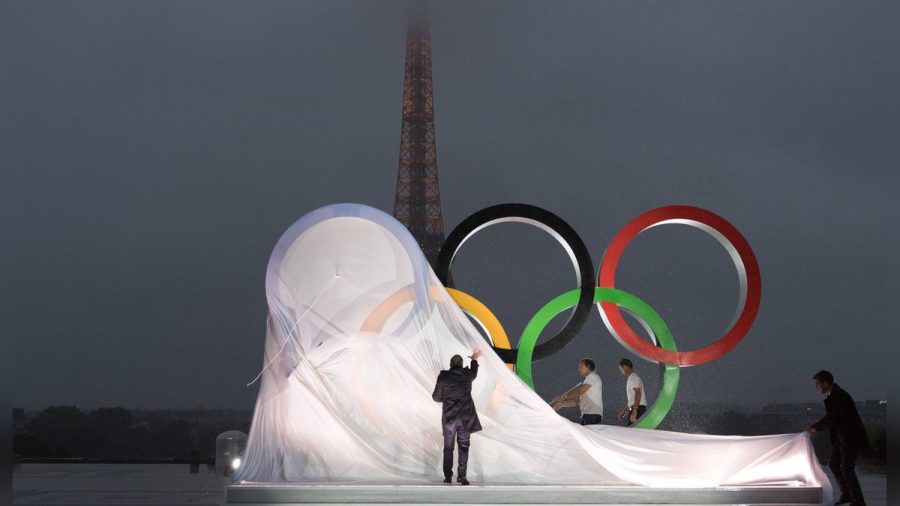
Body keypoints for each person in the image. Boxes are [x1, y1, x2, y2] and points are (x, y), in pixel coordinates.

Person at [806, 370, 868, 506]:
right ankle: (847, 494)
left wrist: (816, 427)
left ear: (826, 383)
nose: (817, 388)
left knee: (846, 467)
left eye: (817, 384)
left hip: (851, 437)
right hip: (842, 438)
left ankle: (858, 501)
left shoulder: (839, 396)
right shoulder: (834, 395)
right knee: (834, 463)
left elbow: (833, 417)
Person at [432, 348, 482, 485]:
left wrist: (447, 397)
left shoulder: (443, 377)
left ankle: (448, 477)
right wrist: (474, 359)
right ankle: (462, 476)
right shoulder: (467, 375)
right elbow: (474, 372)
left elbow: (436, 397)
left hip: (450, 418)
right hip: (466, 418)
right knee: (464, 446)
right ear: (461, 364)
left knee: (448, 448)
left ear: (450, 364)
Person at [551, 358, 603, 425]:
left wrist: (564, 397)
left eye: (581, 366)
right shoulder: (588, 380)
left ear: (588, 367)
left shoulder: (593, 376)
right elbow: (577, 402)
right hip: (587, 415)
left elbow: (580, 391)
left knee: (585, 434)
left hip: (592, 414)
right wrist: (562, 404)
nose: (579, 369)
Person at [617, 358, 648, 426]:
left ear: (625, 367)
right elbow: (632, 399)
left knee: (631, 432)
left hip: (638, 409)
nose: (621, 370)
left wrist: (634, 411)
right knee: (632, 431)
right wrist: (623, 411)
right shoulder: (631, 378)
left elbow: (638, 393)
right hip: (637, 408)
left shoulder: (633, 378)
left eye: (621, 368)